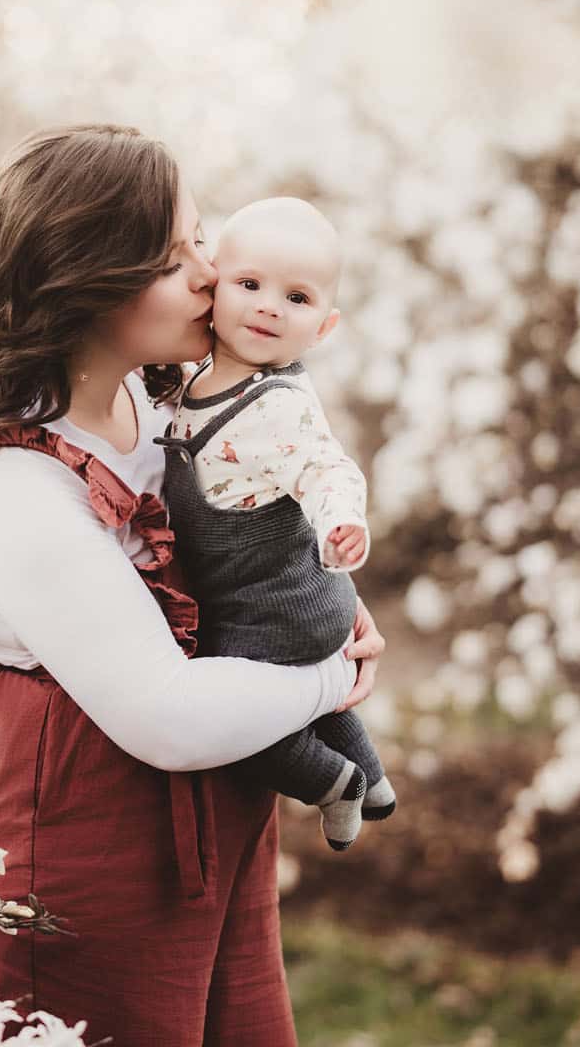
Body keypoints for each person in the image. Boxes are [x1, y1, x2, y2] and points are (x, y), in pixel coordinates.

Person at [0, 124, 385, 1046]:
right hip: (85, 815)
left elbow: (241, 535)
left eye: (200, 238)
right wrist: (333, 675)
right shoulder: (13, 484)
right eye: (177, 257)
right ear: (87, 285)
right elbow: (164, 714)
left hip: (221, 782)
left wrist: (319, 601)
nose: (213, 273)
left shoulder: (156, 399)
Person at [156, 196, 396, 852]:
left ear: (324, 326)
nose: (268, 307)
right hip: (305, 599)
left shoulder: (278, 406)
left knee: (238, 725)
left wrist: (342, 520)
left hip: (271, 612)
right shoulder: (197, 380)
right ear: (215, 287)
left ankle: (333, 783)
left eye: (296, 298)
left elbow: (326, 467)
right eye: (250, 285)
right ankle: (374, 780)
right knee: (325, 690)